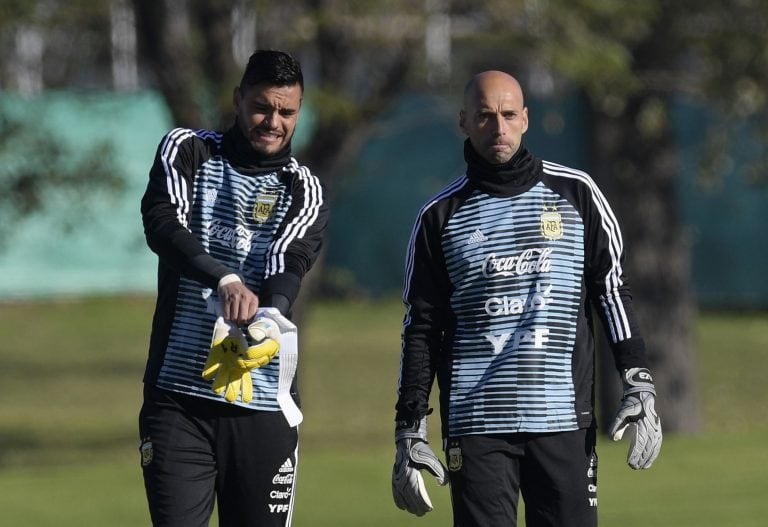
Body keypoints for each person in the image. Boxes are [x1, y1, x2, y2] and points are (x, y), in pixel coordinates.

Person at [391, 70, 662, 527]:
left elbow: (611, 290)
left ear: (526, 119)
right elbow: (421, 327)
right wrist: (409, 425)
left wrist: (637, 379)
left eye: (508, 114)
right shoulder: (439, 217)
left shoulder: (578, 194)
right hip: (476, 426)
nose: (498, 128)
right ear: (463, 122)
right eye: (484, 116)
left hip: (562, 421)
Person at [139, 49, 328, 527]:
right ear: (238, 99)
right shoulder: (188, 150)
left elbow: (290, 263)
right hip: (179, 401)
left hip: (262, 408)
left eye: (287, 112)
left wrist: (267, 315)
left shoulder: (303, 188)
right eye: (262, 107)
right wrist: (224, 279)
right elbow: (162, 225)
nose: (273, 121)